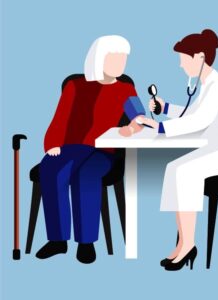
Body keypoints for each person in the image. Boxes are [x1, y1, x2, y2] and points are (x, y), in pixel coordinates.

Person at [140, 29, 218, 271]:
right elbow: (193, 112)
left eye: (183, 59)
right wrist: (165, 106)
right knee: (174, 168)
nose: (180, 65)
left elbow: (199, 121)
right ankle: (182, 241)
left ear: (199, 57)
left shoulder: (217, 86)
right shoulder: (208, 83)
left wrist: (159, 127)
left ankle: (188, 243)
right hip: (216, 150)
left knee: (185, 171)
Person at [36, 35, 144, 264]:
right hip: (69, 146)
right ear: (99, 58)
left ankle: (86, 243)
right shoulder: (75, 85)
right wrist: (52, 143)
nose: (120, 64)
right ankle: (58, 240)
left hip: (103, 150)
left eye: (123, 59)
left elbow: (140, 117)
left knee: (86, 176)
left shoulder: (126, 88)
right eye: (115, 59)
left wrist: (131, 129)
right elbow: (60, 118)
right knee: (51, 171)